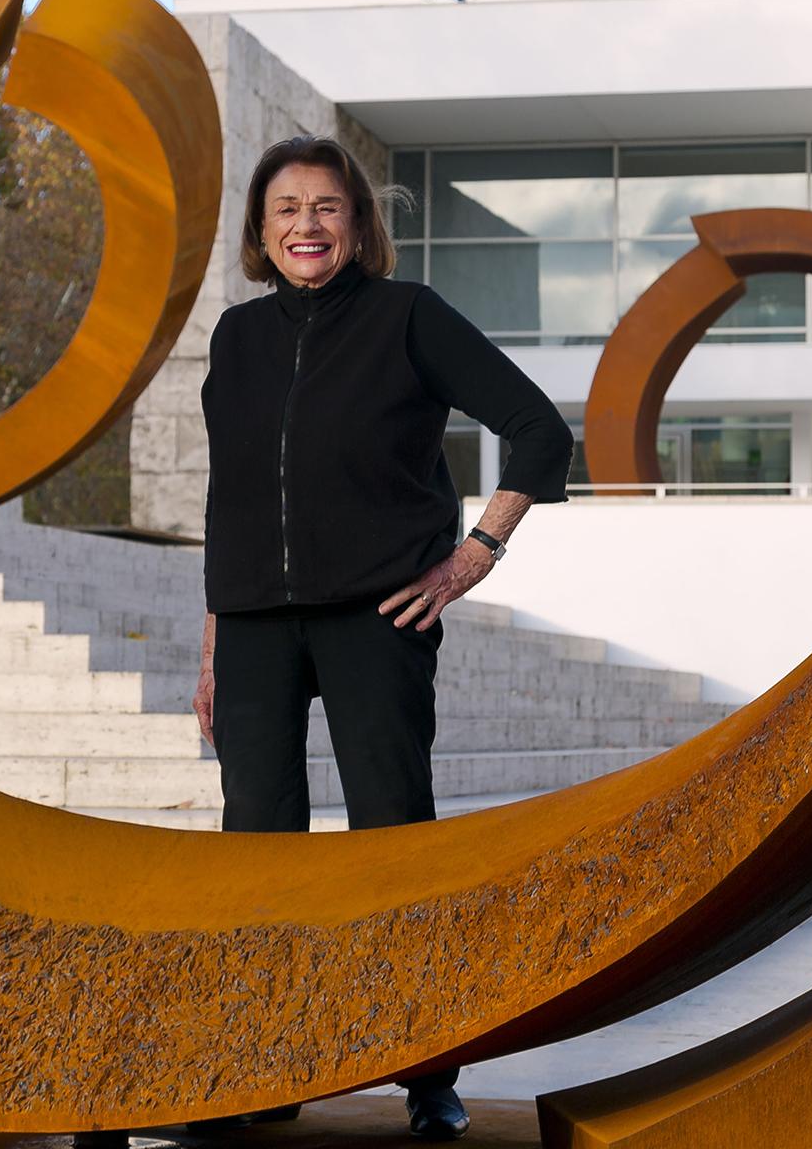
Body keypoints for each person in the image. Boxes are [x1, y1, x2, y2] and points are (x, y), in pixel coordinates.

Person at [193, 134, 573, 1142]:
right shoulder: (235, 341)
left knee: (393, 842)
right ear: (258, 231)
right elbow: (230, 497)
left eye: (326, 207)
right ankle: (258, 1073)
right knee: (255, 859)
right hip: (253, 628)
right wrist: (209, 644)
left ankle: (425, 1072)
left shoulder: (409, 317)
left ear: (358, 226)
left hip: (377, 618)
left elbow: (538, 429)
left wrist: (475, 552)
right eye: (285, 209)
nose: (305, 226)